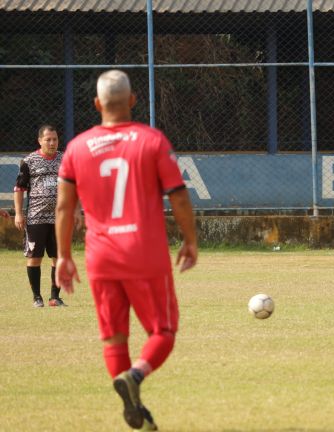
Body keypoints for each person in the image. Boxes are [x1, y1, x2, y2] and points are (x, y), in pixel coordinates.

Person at [55, 69, 198, 431]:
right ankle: (135, 376)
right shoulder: (151, 140)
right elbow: (178, 196)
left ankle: (137, 413)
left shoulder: (76, 148)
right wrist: (190, 239)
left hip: (100, 257)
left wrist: (63, 257)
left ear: (97, 104)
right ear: (133, 100)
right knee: (163, 331)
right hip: (143, 252)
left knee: (114, 337)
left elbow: (63, 209)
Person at [14, 125, 68, 307]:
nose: (52, 143)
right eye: (48, 140)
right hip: (36, 217)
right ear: (40, 141)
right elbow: (19, 189)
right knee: (34, 257)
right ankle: (37, 297)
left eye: (55, 139)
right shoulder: (29, 161)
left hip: (60, 218)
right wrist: (19, 214)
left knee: (58, 257)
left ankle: (55, 297)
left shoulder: (65, 159)